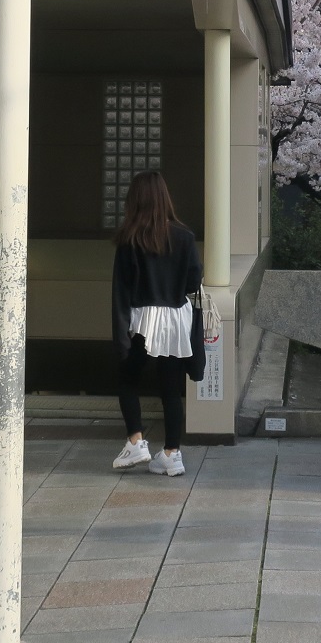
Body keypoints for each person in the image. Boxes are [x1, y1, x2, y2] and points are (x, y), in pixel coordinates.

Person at [110, 171, 201, 477]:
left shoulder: (130, 239)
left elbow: (120, 292)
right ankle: (172, 454)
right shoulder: (185, 237)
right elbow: (193, 281)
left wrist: (120, 335)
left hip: (141, 322)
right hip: (175, 319)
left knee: (127, 378)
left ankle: (136, 440)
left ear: (135, 200)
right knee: (171, 389)